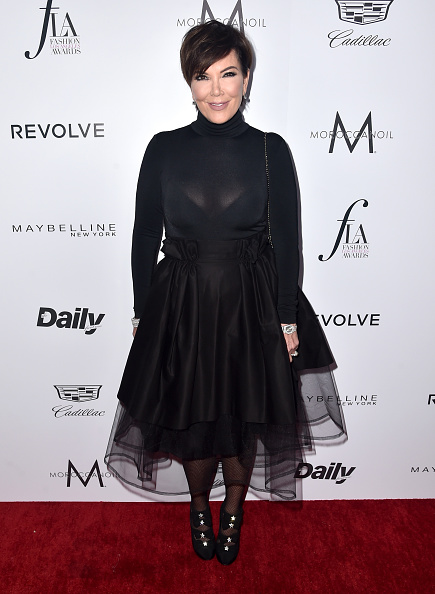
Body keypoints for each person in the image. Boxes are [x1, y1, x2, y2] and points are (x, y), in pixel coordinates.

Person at [105, 20, 346, 565]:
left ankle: (233, 510)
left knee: (242, 414)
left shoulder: (270, 151)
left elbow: (288, 242)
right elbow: (146, 235)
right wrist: (144, 311)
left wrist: (287, 320)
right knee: (193, 413)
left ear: (246, 78)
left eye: (227, 74)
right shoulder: (163, 149)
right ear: (188, 83)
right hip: (183, 304)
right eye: (202, 76)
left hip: (252, 304)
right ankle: (198, 507)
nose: (216, 90)